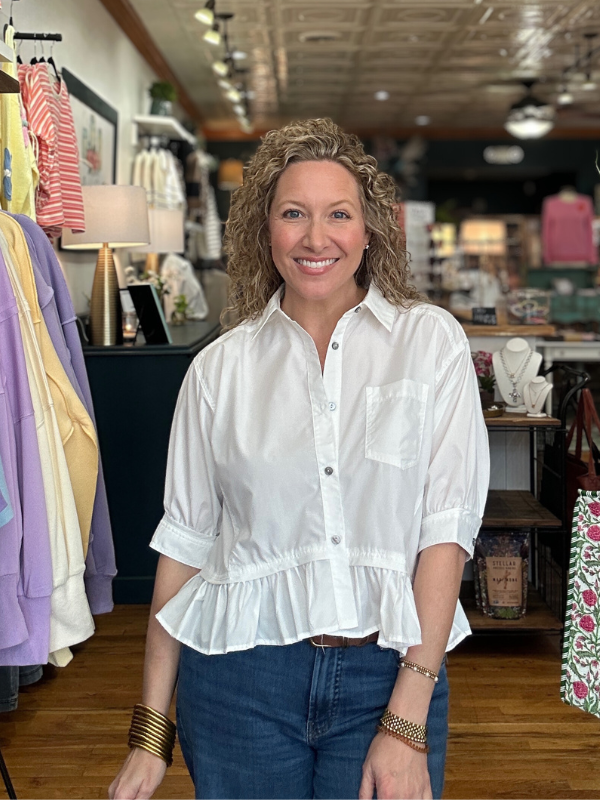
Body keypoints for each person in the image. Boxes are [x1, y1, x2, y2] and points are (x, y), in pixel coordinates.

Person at [109, 118, 489, 800]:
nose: (317, 238)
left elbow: (445, 529)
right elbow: (185, 548)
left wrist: (405, 718)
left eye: (338, 214)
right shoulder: (218, 370)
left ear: (369, 230)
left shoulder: (429, 344)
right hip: (238, 683)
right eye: (294, 214)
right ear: (265, 230)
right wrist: (149, 733)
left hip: (388, 671)